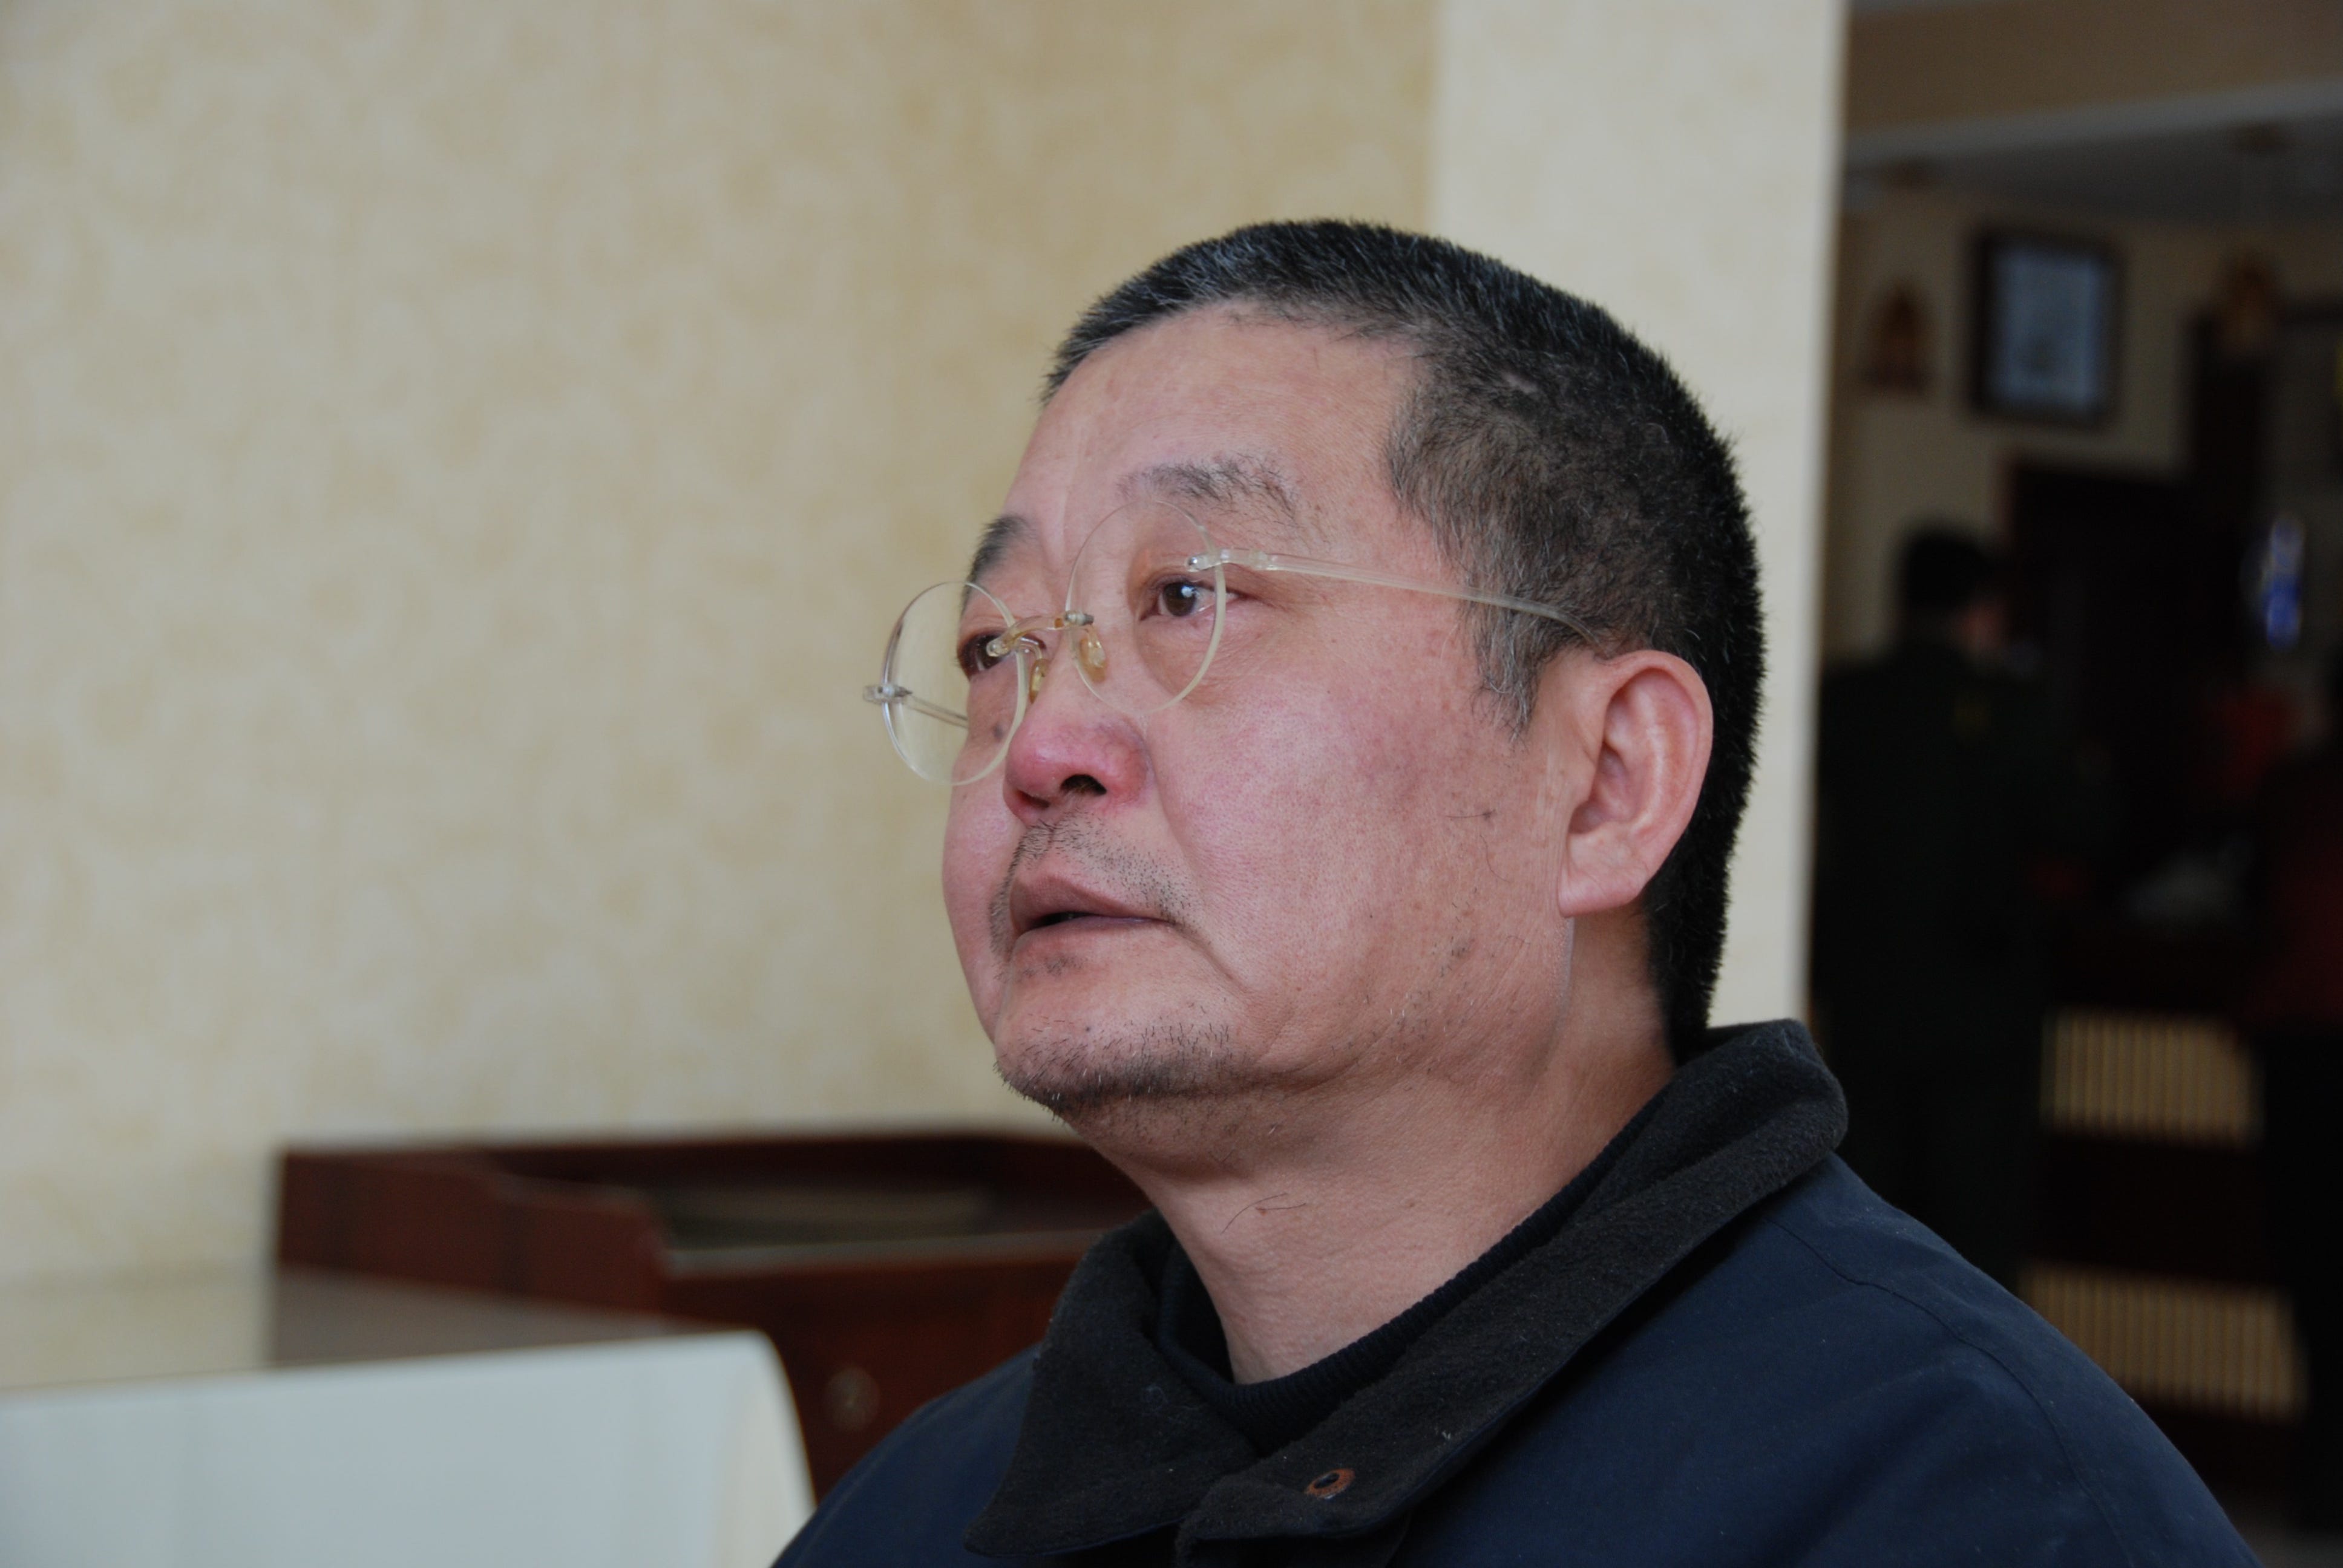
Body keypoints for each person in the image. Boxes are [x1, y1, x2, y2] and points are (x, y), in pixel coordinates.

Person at [791, 223, 2248, 1565]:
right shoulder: (919, 1510)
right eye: (996, 650)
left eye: (1188, 597)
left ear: (1606, 781)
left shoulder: (1972, 1511)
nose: (1039, 743)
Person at [1811, 529, 2087, 1289]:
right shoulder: (2012, 708)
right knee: (1973, 1242)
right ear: (1981, 610)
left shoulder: (1844, 699)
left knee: (1862, 1223)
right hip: (1980, 1013)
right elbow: (2078, 826)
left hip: (1866, 1008)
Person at [2246, 647, 2343, 1529]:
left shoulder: (2294, 789)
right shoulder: (2293, 789)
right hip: (2306, 1040)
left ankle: (2321, 1477)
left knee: (2312, 1264)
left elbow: (2255, 905)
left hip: (2301, 1050)